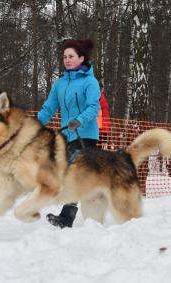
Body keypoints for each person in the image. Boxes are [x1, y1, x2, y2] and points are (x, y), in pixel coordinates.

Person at [37, 39, 100, 228]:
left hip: (85, 134)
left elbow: (93, 107)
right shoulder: (60, 83)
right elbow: (49, 108)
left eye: (71, 56)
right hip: (67, 134)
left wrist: (79, 120)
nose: (67, 60)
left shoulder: (90, 82)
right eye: (64, 57)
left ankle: (66, 218)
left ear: (81, 58)